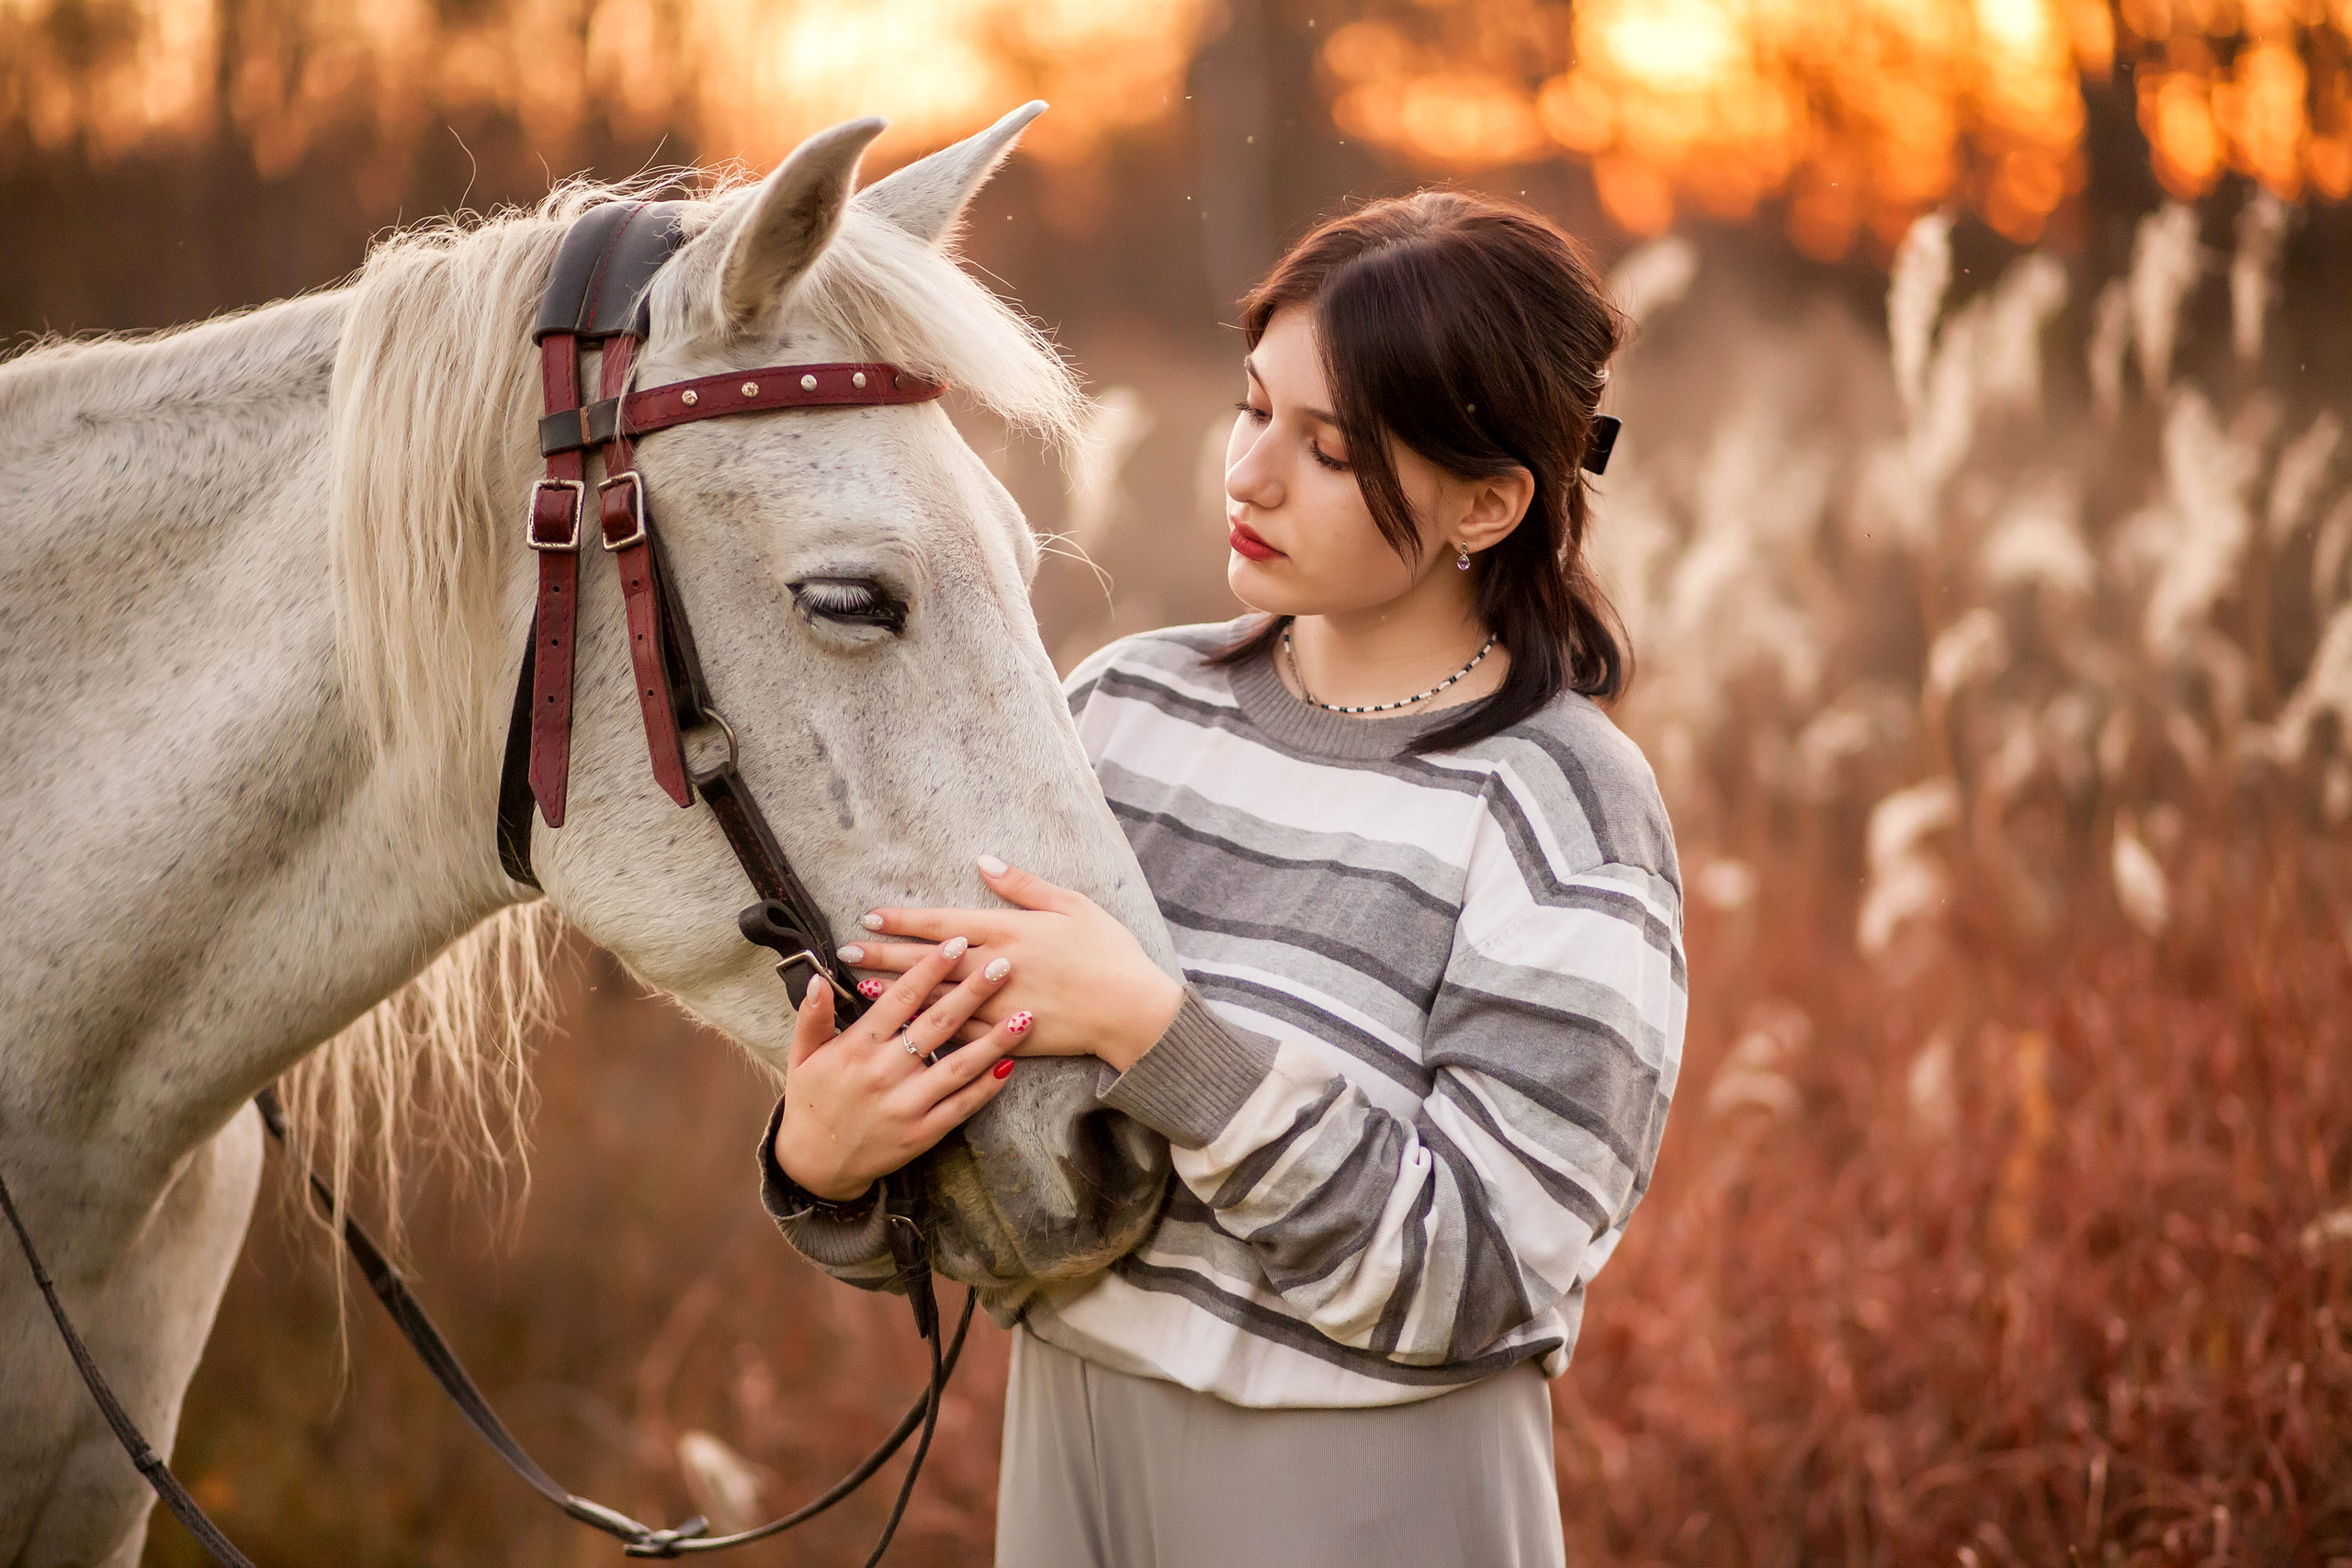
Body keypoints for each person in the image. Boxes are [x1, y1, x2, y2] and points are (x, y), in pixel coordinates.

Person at [758, 189, 1684, 1567]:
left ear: (1488, 502)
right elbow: (1005, 1162)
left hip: (1367, 1487)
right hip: (1071, 1451)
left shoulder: (1565, 810)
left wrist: (1152, 1030)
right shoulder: (1124, 712)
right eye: (1255, 409)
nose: (1248, 475)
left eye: (1328, 449)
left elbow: (1480, 1274)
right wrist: (825, 1168)